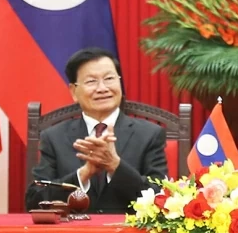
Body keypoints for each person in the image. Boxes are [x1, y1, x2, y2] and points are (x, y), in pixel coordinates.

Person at [25, 47, 168, 213]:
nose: (102, 88)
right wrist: (84, 173)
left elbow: (160, 198)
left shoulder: (150, 135)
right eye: (91, 81)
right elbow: (35, 201)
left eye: (109, 78)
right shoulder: (54, 137)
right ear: (73, 91)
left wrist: (115, 165)